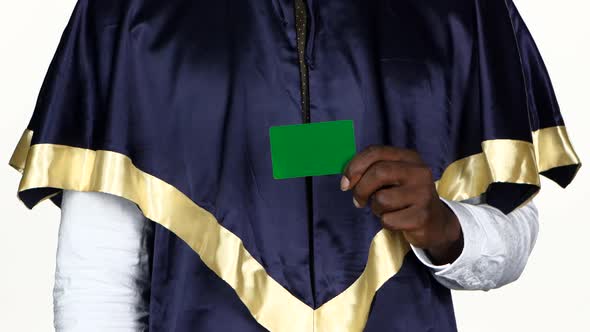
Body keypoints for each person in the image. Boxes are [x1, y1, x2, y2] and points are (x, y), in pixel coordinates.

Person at [9, 0, 580, 331]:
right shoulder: (132, 10)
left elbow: (515, 232)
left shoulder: (462, 9)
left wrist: (444, 226)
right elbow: (96, 270)